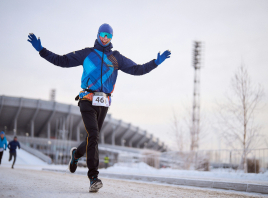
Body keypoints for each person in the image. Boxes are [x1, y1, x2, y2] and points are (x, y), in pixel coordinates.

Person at [27, 23, 171, 192]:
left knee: (92, 137)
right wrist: (41, 50)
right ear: (97, 35)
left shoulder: (116, 58)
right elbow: (62, 60)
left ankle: (76, 154)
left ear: (111, 38)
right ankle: (93, 178)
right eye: (102, 35)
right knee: (94, 134)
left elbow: (137, 69)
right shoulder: (87, 53)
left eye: (108, 36)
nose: (105, 38)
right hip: (87, 99)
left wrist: (155, 62)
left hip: (104, 103)